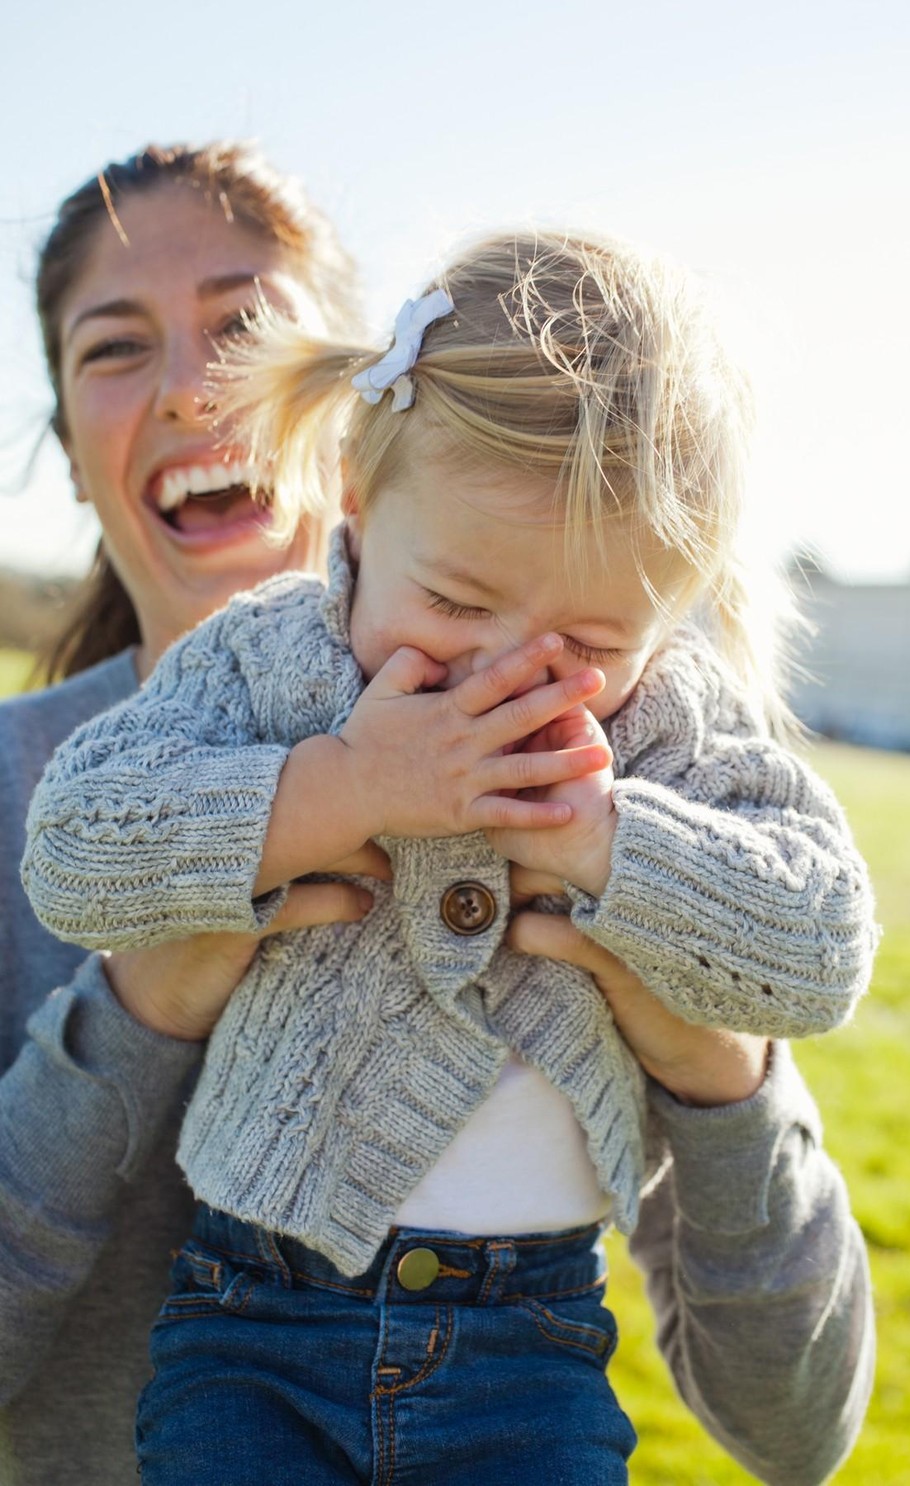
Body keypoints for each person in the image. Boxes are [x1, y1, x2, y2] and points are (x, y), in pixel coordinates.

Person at [22, 229, 879, 1484]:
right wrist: (342, 787)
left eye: (590, 636)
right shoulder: (270, 658)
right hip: (252, 1315)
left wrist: (607, 840)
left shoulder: (667, 732)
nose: (510, 674)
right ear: (359, 506)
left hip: (526, 1343)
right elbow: (76, 852)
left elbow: (823, 947)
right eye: (462, 605)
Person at [0, 141, 390, 1486]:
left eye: (249, 325)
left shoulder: (533, 752)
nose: (189, 386)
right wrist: (144, 997)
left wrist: (711, 1062)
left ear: (359, 399)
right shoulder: (8, 793)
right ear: (67, 448)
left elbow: (798, 1423)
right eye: (116, 347)